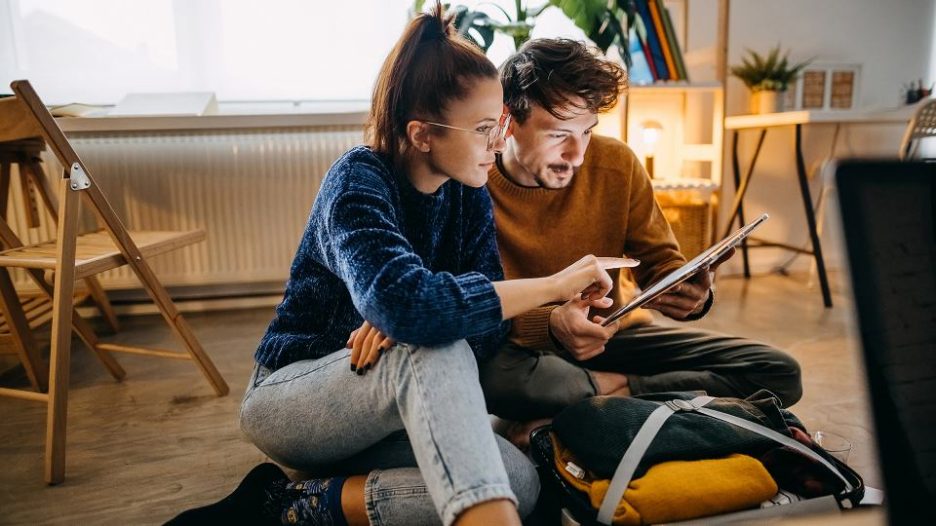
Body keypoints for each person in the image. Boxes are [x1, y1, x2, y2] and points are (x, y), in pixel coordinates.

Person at [170, 9, 627, 526]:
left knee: (520, 482)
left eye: (498, 124)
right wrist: (550, 286)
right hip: (295, 398)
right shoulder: (357, 180)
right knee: (429, 343)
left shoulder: (468, 194)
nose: (498, 143)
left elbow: (482, 338)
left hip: (391, 404)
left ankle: (293, 505)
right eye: (482, 128)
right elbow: (415, 310)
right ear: (422, 134)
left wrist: (415, 317)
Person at [479, 38, 804, 438]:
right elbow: (472, 304)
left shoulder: (616, 163)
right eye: (558, 134)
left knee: (778, 372)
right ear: (508, 121)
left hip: (613, 336)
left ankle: (608, 396)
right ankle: (631, 403)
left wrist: (688, 290)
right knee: (491, 377)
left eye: (587, 132)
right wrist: (551, 323)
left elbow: (660, 262)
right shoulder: (473, 181)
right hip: (523, 347)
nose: (577, 154)